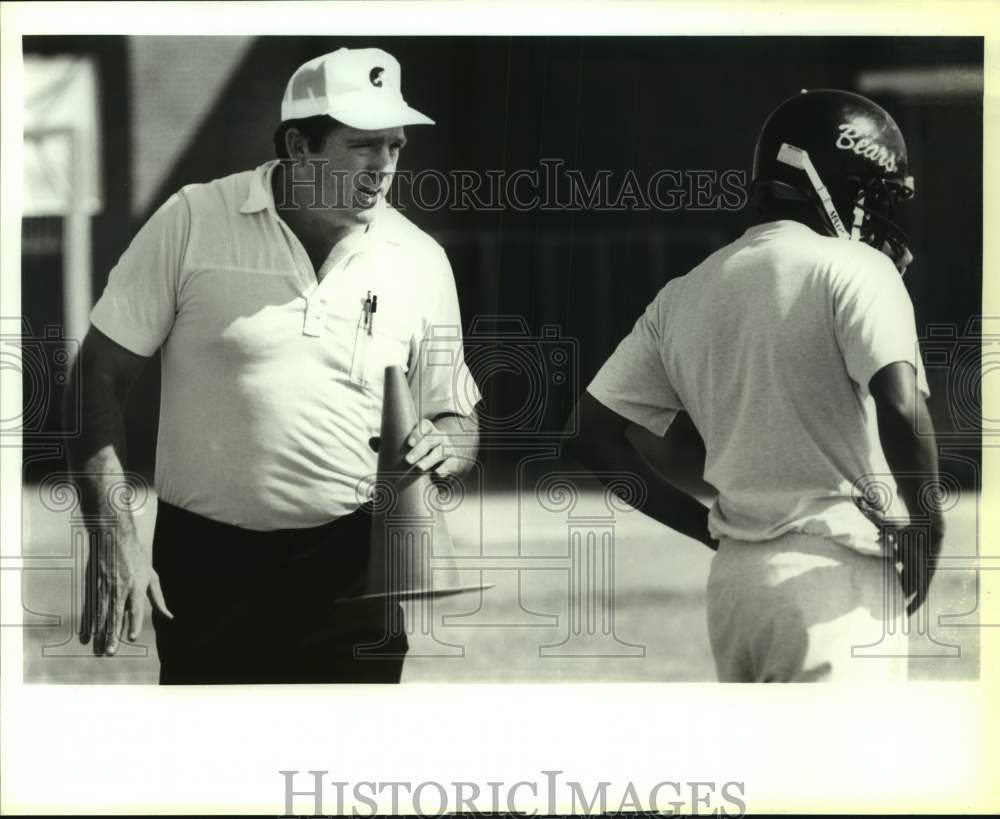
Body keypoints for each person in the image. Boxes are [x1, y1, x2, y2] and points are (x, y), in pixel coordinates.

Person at [64, 47, 482, 684]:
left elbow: (456, 416)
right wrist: (110, 526)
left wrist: (446, 444)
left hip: (356, 568)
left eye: (395, 146)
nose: (384, 167)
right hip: (206, 566)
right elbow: (97, 372)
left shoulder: (419, 260)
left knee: (337, 779)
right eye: (363, 145)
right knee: (216, 776)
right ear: (298, 143)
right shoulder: (192, 221)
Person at [568, 89, 944, 682]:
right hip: (831, 578)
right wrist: (928, 528)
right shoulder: (857, 269)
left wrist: (710, 528)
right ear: (830, 179)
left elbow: (591, 436)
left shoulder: (684, 291)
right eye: (871, 195)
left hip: (736, 586)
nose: (877, 215)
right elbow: (900, 407)